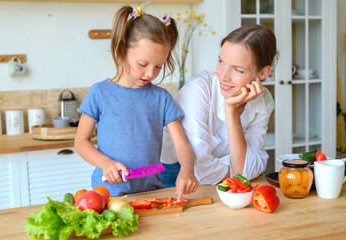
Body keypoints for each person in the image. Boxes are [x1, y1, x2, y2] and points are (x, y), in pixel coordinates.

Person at [74, 5, 199, 200]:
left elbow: (182, 145)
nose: (150, 73)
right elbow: (81, 142)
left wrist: (187, 169)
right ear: (123, 49)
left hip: (151, 194)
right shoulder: (99, 93)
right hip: (108, 196)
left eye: (158, 66)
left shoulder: (161, 98)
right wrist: (106, 163)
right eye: (143, 64)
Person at [161, 24, 278, 185]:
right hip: (171, 172)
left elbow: (250, 167)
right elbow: (199, 168)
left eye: (237, 70)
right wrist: (238, 173)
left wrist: (231, 110)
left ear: (263, 73)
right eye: (221, 62)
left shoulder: (263, 101)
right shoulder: (198, 91)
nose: (223, 76)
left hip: (216, 177)